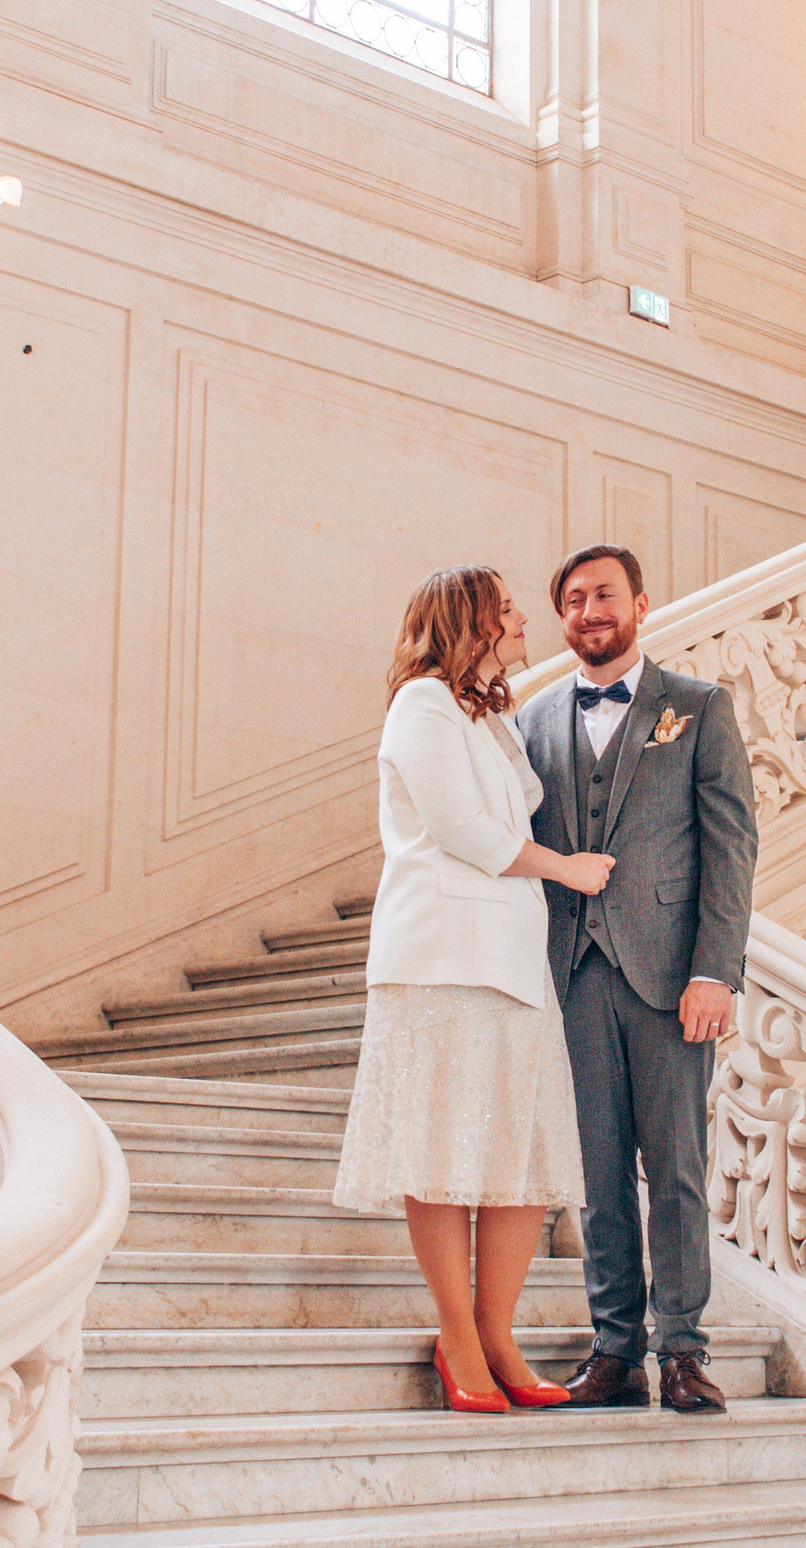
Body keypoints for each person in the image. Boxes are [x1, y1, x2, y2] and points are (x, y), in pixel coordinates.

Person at [333, 566, 610, 1412]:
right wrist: (566, 868)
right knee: (443, 1149)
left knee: (520, 1157)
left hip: (516, 955)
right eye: (509, 606)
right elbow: (461, 829)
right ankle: (457, 1336)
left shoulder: (486, 716)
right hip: (441, 956)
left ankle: (498, 1331)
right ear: (470, 620)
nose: (527, 616)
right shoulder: (419, 703)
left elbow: (516, 801)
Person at [515, 544, 757, 1413]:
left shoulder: (697, 707)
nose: (589, 611)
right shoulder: (532, 720)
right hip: (571, 971)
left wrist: (714, 970)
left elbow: (731, 847)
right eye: (573, 599)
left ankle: (682, 1350)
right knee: (598, 1169)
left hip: (668, 976)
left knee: (678, 1167)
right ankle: (613, 1348)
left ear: (642, 604)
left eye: (604, 594)